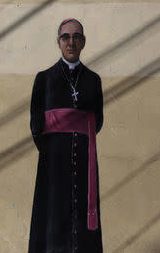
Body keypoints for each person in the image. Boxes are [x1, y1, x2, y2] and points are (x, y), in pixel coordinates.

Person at [28, 19, 104, 253]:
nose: (71, 42)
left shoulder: (93, 80)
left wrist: (77, 137)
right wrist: (55, 148)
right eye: (65, 37)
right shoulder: (44, 78)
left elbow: (97, 121)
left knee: (82, 219)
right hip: (53, 162)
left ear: (83, 42)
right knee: (53, 216)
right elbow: (36, 123)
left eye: (76, 37)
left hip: (84, 161)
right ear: (59, 42)